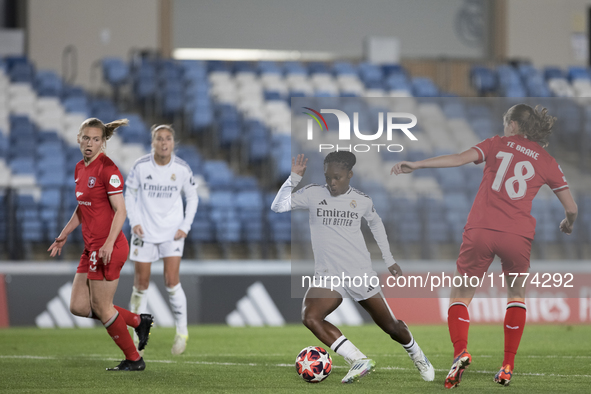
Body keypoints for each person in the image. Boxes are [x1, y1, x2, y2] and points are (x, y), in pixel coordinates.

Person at [391, 104, 578, 388]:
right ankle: (507, 366)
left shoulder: (495, 144)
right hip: (517, 235)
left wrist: (417, 165)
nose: (504, 128)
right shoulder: (548, 161)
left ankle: (460, 352)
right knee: (516, 294)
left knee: (461, 294)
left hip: (480, 229)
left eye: (506, 123)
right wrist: (568, 222)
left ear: (514, 125)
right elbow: (572, 207)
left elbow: (457, 159)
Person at [271, 151, 435, 384]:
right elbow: (278, 207)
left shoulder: (362, 200)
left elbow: (376, 224)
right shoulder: (313, 193)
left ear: (350, 175)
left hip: (359, 273)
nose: (332, 182)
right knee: (310, 317)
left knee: (392, 327)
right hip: (328, 274)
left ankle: (417, 354)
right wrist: (293, 179)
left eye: (337, 177)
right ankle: (358, 359)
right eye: (328, 177)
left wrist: (388, 259)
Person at [48, 118, 154, 371]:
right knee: (79, 306)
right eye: (86, 138)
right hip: (91, 248)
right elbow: (84, 206)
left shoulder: (108, 169)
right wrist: (64, 233)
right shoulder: (79, 169)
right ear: (78, 138)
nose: (90, 143)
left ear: (103, 143)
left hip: (109, 248)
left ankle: (134, 359)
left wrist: (107, 244)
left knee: (102, 307)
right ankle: (138, 320)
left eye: (96, 139)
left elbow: (121, 211)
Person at [125, 124, 198, 355]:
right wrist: (134, 221)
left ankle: (182, 332)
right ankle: (138, 338)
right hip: (144, 231)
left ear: (173, 143)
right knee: (141, 284)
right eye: (159, 138)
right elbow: (129, 194)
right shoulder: (140, 166)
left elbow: (193, 198)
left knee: (171, 280)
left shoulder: (182, 169)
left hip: (171, 231)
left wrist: (185, 226)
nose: (164, 143)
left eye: (168, 138)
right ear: (152, 142)